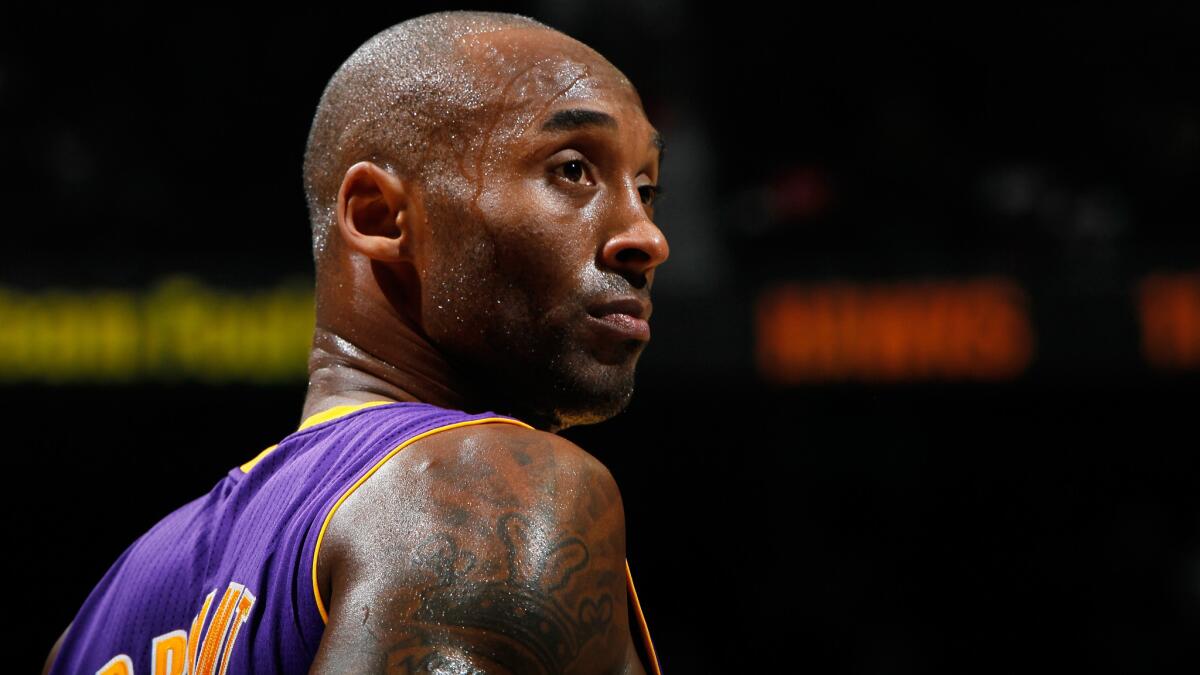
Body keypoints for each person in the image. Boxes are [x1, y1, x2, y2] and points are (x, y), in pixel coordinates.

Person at [44, 10, 668, 675]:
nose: (647, 238)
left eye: (647, 188)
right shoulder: (488, 492)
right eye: (572, 171)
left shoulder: (99, 617)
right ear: (378, 215)